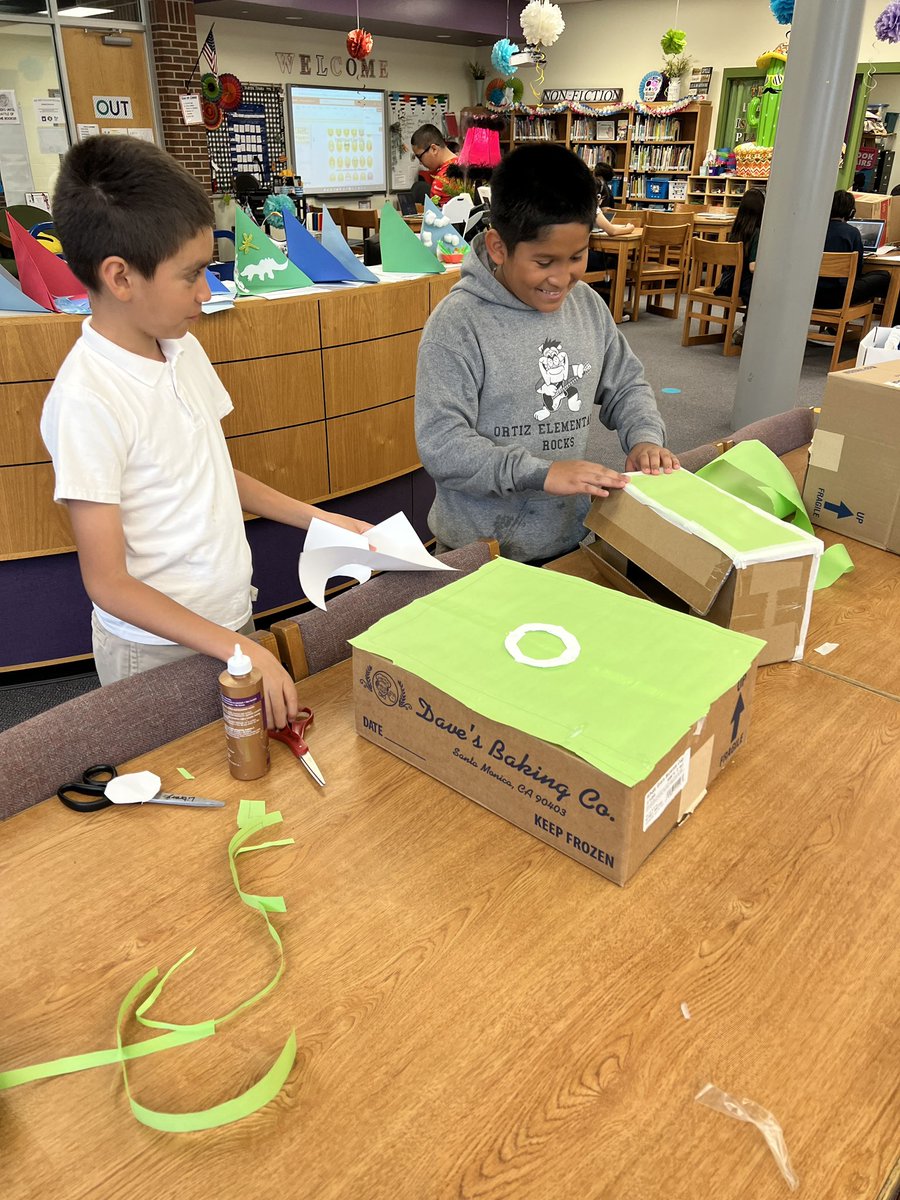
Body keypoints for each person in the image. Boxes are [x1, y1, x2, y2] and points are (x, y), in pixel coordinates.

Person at [40, 136, 371, 729]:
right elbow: (109, 583)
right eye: (191, 274)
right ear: (120, 277)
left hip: (226, 621)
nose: (207, 290)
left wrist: (325, 520)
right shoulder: (87, 399)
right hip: (152, 650)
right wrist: (237, 648)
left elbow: (213, 469)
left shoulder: (182, 347)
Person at [415, 142, 678, 565]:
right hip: (480, 555)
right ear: (499, 248)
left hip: (569, 542)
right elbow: (443, 445)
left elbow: (625, 384)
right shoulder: (458, 324)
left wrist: (645, 436)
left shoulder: (588, 305)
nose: (562, 278)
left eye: (576, 256)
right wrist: (541, 472)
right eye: (544, 261)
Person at [813, 189, 890, 320]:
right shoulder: (852, 232)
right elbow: (857, 271)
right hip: (838, 298)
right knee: (884, 276)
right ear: (851, 212)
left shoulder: (814, 229)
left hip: (810, 295)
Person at [715, 187, 765, 345]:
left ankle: (748, 327)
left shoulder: (736, 230)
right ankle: (748, 328)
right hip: (742, 287)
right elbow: (753, 267)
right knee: (763, 289)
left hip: (726, 283)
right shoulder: (757, 232)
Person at [410, 124, 458, 204]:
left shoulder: (442, 179)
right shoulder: (466, 167)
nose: (420, 163)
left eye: (420, 157)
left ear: (434, 149)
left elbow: (436, 215)